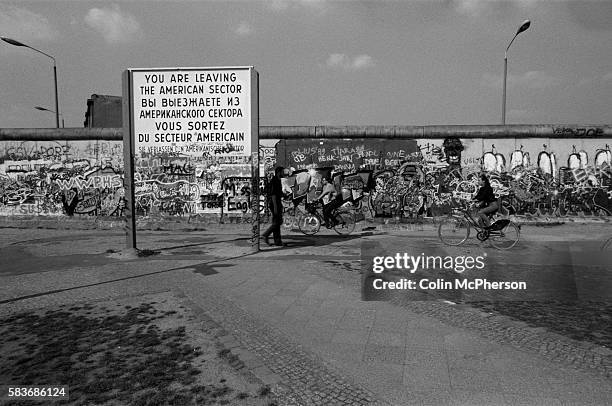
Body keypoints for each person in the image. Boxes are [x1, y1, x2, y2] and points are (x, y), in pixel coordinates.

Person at [262, 166, 285, 246]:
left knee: (277, 222)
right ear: (279, 172)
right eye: (282, 172)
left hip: (277, 203)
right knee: (277, 222)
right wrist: (275, 208)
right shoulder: (275, 181)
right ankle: (265, 234)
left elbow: (278, 193)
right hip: (274, 204)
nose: (284, 173)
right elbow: (274, 195)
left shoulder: (278, 180)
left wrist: (284, 195)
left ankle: (277, 241)